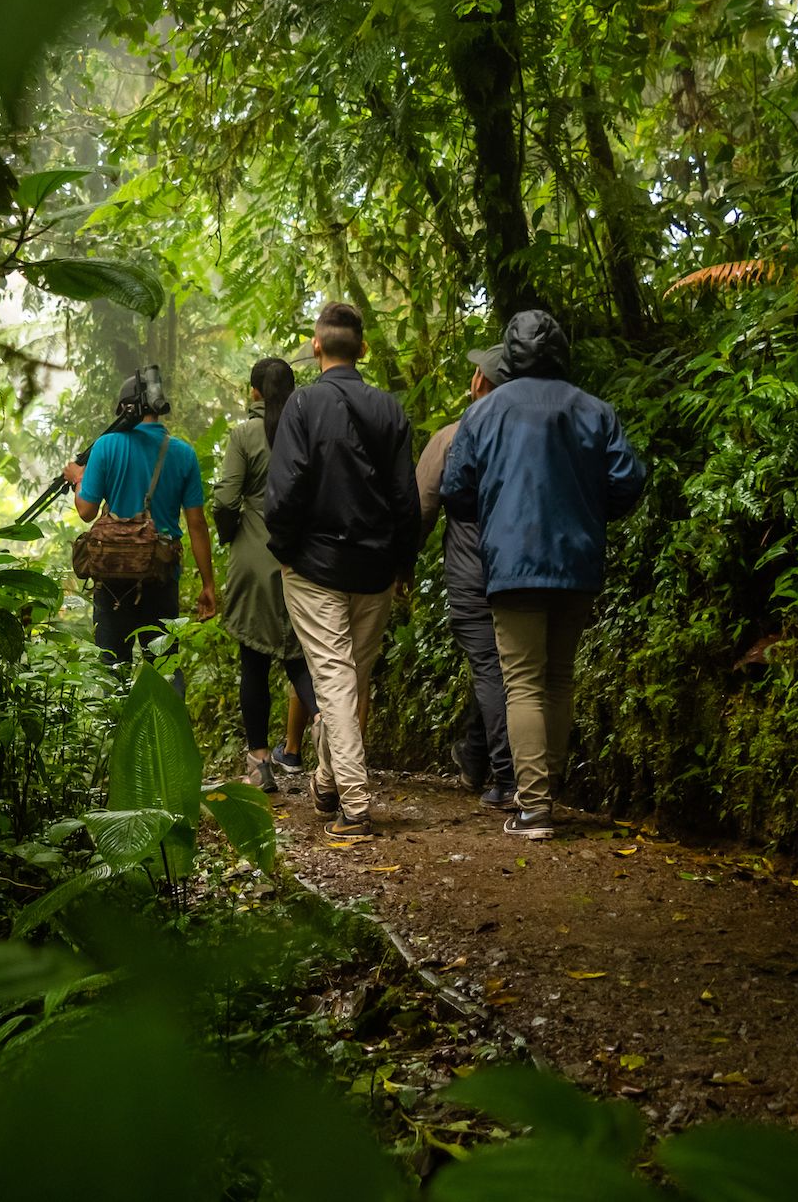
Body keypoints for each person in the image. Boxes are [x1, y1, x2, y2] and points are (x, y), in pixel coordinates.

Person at [439, 310, 646, 840]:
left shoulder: (485, 413)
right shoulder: (594, 410)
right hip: (577, 563)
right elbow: (628, 481)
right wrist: (588, 514)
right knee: (558, 678)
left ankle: (534, 807)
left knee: (523, 682)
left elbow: (456, 487)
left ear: (509, 356)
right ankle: (546, 788)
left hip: (511, 565)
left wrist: (493, 514)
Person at [265, 302, 421, 840]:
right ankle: (329, 782)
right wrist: (404, 562)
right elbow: (406, 497)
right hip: (375, 566)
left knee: (334, 677)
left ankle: (354, 803)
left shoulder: (303, 406)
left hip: (313, 565)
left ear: (315, 346)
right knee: (351, 677)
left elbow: (284, 491)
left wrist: (282, 550)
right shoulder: (390, 409)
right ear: (363, 349)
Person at [415, 343, 515, 809]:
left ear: (481, 383)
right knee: (508, 665)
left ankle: (508, 776)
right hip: (521, 564)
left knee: (490, 667)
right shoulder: (525, 436)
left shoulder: (453, 436)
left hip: (471, 565)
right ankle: (477, 755)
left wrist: (402, 565)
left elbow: (422, 507)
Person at [63, 371, 216, 673]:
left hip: (112, 579)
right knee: (164, 670)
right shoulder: (183, 453)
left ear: (125, 408)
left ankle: (116, 721)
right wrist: (208, 583)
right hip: (161, 575)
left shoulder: (106, 446)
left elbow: (86, 511)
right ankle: (166, 721)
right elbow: (197, 524)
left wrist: (79, 478)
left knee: (111, 670)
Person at [212, 358, 317, 793]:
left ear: (253, 392)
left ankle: (259, 765)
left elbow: (225, 499)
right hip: (301, 561)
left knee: (253, 665)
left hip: (253, 564)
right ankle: (331, 735)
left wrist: (230, 535)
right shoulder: (307, 432)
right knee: (301, 659)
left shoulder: (244, 435)